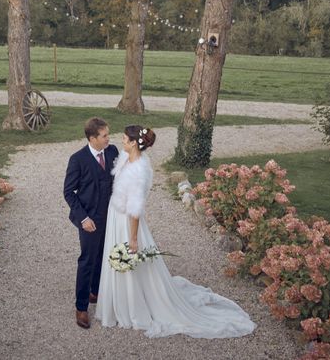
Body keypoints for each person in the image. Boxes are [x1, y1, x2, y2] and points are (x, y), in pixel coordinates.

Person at [95, 125, 256, 338]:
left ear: (134, 143)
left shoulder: (138, 170)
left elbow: (135, 209)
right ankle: (119, 301)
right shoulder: (127, 158)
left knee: (130, 260)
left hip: (127, 222)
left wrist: (133, 239)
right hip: (116, 215)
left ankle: (132, 306)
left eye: (125, 139)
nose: (121, 142)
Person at [63, 117, 119, 329]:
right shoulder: (77, 159)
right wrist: (83, 219)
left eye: (108, 135)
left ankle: (96, 292)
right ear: (92, 138)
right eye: (104, 136)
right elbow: (68, 192)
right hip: (89, 220)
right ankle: (81, 306)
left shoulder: (113, 152)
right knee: (87, 260)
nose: (108, 139)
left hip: (111, 217)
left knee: (103, 256)